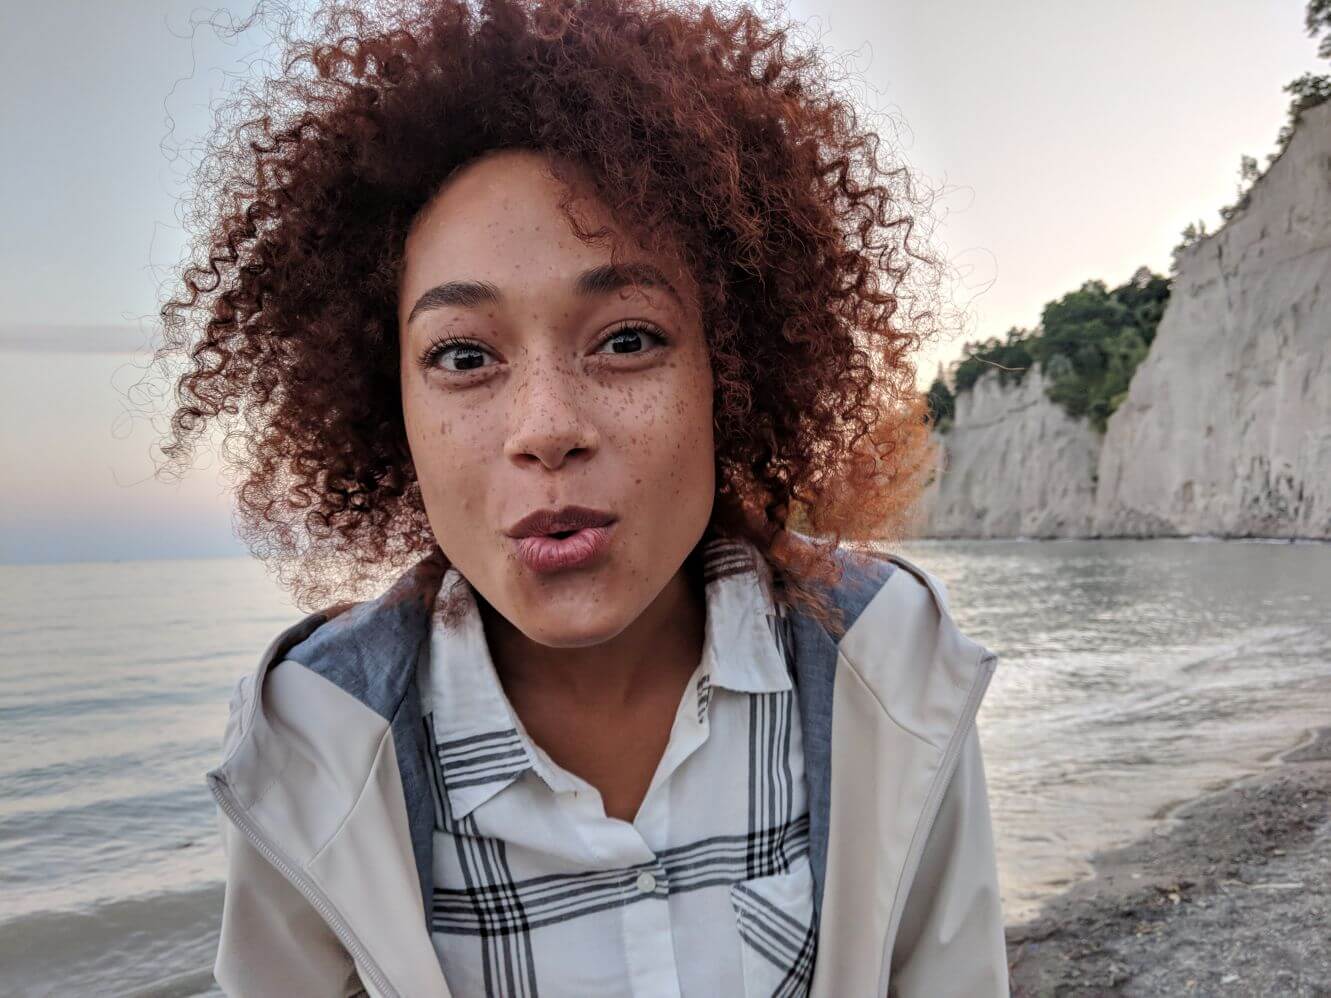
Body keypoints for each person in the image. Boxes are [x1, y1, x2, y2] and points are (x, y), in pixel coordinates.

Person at [154, 0, 1009, 994]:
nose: (545, 426)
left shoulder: (890, 666)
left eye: (626, 338)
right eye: (463, 356)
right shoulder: (312, 743)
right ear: (387, 404)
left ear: (729, 371)